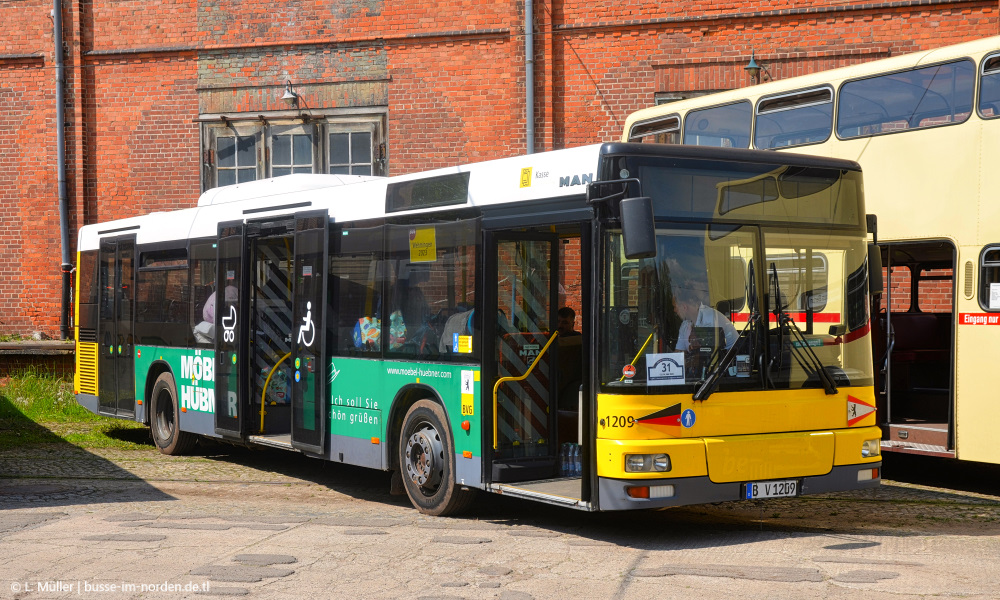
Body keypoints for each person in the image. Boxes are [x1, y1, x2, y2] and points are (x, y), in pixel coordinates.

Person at [674, 286, 738, 351]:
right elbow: (679, 352)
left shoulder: (710, 318)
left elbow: (708, 354)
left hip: (728, 358)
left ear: (684, 307)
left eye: (675, 307)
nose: (675, 310)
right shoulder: (685, 324)